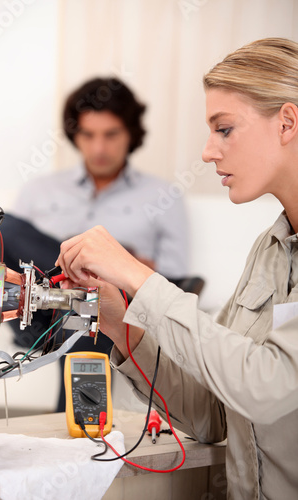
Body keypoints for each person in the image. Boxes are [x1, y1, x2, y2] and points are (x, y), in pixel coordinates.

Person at [56, 38, 298, 499]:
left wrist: (138, 275)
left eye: (224, 129)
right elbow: (213, 414)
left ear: (287, 122)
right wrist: (120, 323)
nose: (208, 152)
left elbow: (266, 386)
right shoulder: (268, 251)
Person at [0, 77, 189, 411]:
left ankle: (80, 439)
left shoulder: (163, 196)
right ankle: (86, 278)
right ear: (74, 135)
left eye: (111, 135)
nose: (98, 148)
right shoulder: (41, 190)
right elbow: (7, 254)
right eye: (88, 135)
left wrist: (122, 265)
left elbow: (176, 280)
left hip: (111, 307)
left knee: (85, 313)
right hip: (41, 311)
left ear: (131, 135)